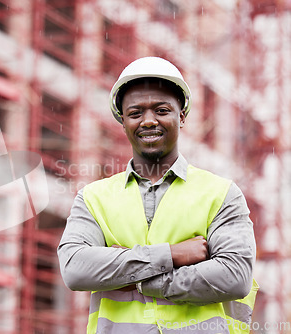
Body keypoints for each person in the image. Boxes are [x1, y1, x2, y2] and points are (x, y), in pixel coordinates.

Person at [57, 57, 258, 334]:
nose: (149, 121)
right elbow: (75, 269)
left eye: (162, 110)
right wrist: (171, 255)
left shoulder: (221, 193)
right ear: (123, 121)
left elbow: (234, 277)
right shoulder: (93, 198)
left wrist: (136, 279)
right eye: (136, 112)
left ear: (182, 116)